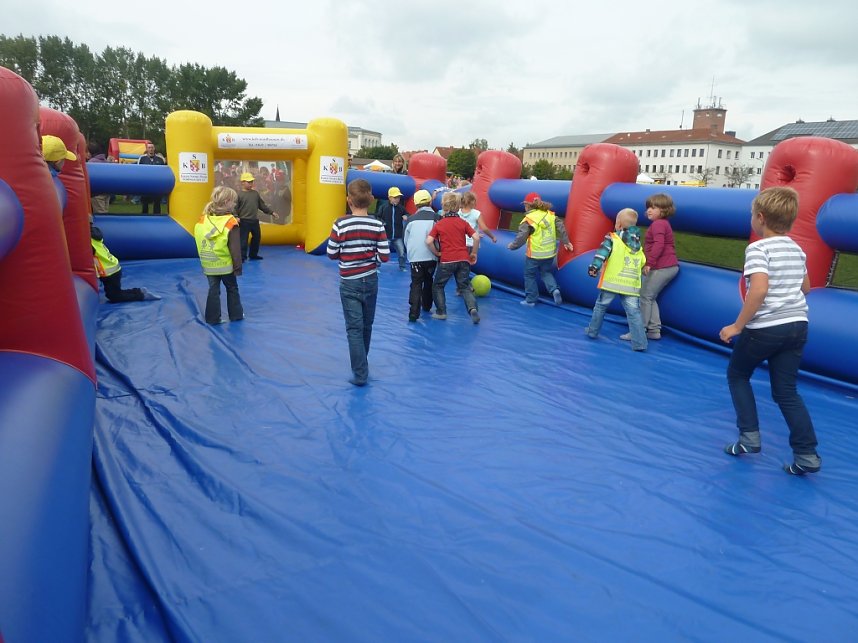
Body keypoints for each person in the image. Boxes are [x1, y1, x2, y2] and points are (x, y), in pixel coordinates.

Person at [719, 187, 820, 476]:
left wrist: (738, 325)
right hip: (798, 325)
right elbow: (806, 288)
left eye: (753, 214)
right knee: (786, 391)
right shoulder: (796, 249)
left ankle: (749, 436)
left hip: (766, 328)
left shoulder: (758, 249)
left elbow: (759, 289)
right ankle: (806, 453)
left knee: (738, 375)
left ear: (760, 217)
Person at [327, 178, 390, 386]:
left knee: (354, 328)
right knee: (366, 325)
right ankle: (363, 363)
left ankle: (360, 372)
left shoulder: (340, 223)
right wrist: (372, 260)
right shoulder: (377, 224)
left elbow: (331, 253)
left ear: (348, 200)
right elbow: (384, 256)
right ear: (371, 199)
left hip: (349, 282)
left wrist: (346, 254)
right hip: (370, 280)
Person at [585, 208, 647, 351]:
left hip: (611, 282)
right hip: (630, 285)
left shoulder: (612, 238)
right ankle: (640, 343)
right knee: (634, 312)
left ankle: (592, 331)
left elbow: (601, 254)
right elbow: (643, 260)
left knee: (601, 306)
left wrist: (594, 267)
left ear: (618, 224)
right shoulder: (638, 245)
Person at [624, 193, 679, 341]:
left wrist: (650, 263)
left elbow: (659, 245)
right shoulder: (662, 223)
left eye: (654, 208)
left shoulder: (659, 224)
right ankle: (654, 330)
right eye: (648, 207)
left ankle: (638, 331)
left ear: (664, 210)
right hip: (667, 266)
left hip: (663, 266)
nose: (649, 210)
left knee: (644, 296)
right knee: (650, 297)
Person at [507, 192, 573, 306]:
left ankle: (531, 300)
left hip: (535, 254)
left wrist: (513, 246)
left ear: (527, 205)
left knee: (529, 275)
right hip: (550, 253)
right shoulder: (550, 215)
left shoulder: (528, 219)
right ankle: (554, 290)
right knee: (545, 272)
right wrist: (566, 242)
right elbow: (561, 227)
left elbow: (521, 237)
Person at [426, 192, 481, 324]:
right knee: (465, 287)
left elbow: (429, 241)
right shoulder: (463, 222)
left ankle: (441, 311)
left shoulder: (440, 224)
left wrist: (437, 252)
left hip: (447, 260)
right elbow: (477, 237)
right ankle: (472, 309)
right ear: (458, 207)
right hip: (463, 259)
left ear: (443, 206)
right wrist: (473, 253)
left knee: (438, 285)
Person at [193, 186, 244, 325]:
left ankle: (212, 318)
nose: (235, 204)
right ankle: (236, 315)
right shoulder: (230, 222)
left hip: (208, 264)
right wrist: (238, 267)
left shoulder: (203, 219)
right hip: (225, 265)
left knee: (213, 290)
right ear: (227, 201)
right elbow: (235, 249)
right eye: (234, 202)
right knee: (232, 288)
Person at [91, 217, 161, 303]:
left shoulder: (87, 240)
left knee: (115, 296)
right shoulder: (93, 235)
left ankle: (142, 295)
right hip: (112, 268)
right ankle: (139, 291)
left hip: (109, 272)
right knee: (114, 293)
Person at [403, 189, 441, 321]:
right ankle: (426, 305)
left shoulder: (411, 219)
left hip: (415, 258)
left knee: (416, 282)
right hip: (431, 256)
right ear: (430, 202)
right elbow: (440, 238)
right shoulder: (437, 218)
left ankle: (413, 312)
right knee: (429, 280)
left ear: (415, 204)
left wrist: (410, 252)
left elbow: (406, 239)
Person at [235, 172, 279, 261]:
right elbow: (234, 207)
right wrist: (236, 216)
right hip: (243, 221)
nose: (251, 183)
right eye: (249, 182)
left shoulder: (255, 194)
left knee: (257, 238)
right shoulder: (238, 195)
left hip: (254, 221)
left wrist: (271, 212)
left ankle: (253, 254)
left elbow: (262, 205)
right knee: (243, 240)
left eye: (251, 182)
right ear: (242, 182)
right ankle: (242, 257)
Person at [375, 186, 408, 270]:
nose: (397, 199)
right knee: (382, 252)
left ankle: (402, 267)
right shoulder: (384, 207)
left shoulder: (401, 208)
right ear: (389, 198)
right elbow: (377, 217)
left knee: (401, 253)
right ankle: (377, 266)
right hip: (386, 235)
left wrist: (406, 216)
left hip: (398, 235)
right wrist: (382, 222)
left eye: (399, 197)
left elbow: (407, 214)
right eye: (395, 197)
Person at [137, 142, 166, 214]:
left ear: (154, 148)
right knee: (145, 202)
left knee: (157, 202)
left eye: (152, 147)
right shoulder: (142, 158)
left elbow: (164, 171)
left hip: (157, 184)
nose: (151, 149)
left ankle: (157, 217)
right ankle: (144, 216)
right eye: (149, 148)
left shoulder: (160, 159)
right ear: (147, 149)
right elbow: (138, 170)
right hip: (145, 184)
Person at [87, 141, 112, 214]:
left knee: (100, 214)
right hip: (106, 192)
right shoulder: (104, 161)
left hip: (97, 194)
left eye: (87, 152)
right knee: (105, 212)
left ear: (91, 152)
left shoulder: (91, 163)